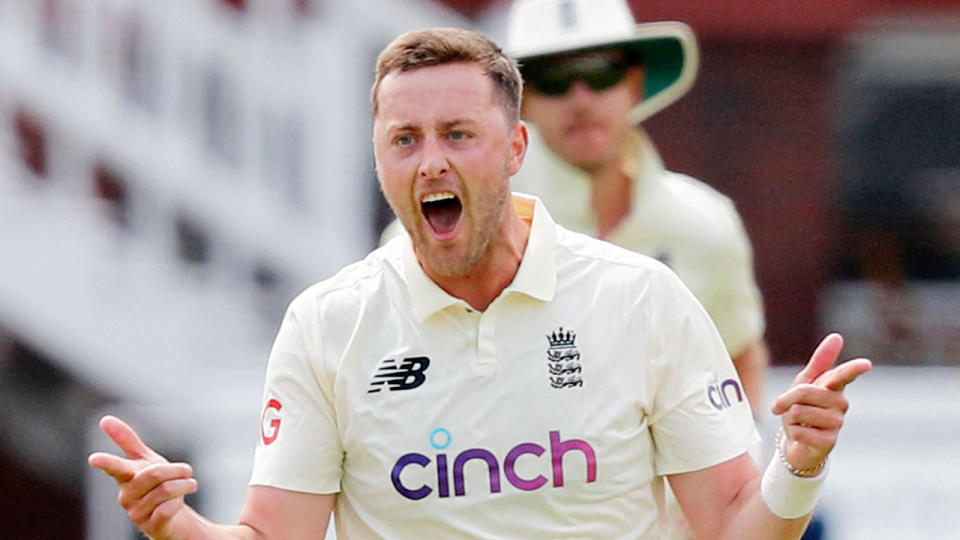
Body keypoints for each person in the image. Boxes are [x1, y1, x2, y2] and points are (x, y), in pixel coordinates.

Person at [88, 27, 871, 539]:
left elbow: (732, 522)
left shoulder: (642, 297)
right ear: (379, 157)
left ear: (515, 148)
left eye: (459, 134)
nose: (431, 161)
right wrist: (179, 527)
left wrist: (799, 462)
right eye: (404, 139)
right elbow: (271, 534)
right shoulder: (328, 323)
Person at [504, 0, 771, 418]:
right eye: (553, 78)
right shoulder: (466, 228)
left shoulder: (707, 225)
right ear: (521, 101)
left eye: (601, 71)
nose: (581, 98)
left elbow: (738, 363)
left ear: (634, 81)